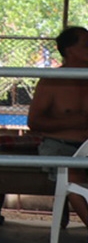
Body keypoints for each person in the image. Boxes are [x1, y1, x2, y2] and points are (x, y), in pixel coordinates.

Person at [27, 25, 88, 230]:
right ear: (70, 50)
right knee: (74, 177)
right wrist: (75, 121)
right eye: (86, 44)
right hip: (60, 146)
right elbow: (34, 122)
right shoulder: (52, 81)